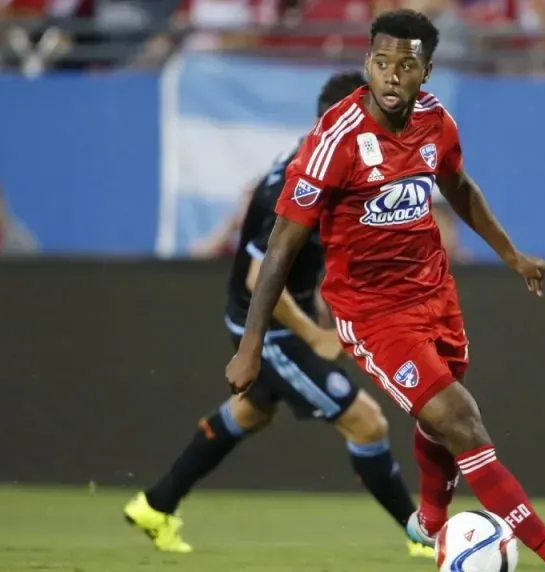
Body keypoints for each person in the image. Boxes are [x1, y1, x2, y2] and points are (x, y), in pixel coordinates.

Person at [225, 9, 545, 572]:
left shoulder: (435, 121)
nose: (392, 76)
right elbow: (280, 248)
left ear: (426, 71)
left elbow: (459, 186)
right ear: (367, 63)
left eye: (406, 65)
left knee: (436, 419)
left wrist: (513, 256)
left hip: (434, 292)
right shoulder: (336, 140)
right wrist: (251, 344)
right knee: (460, 418)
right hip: (372, 312)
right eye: (381, 62)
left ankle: (432, 521)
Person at [124, 70, 435, 560]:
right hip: (266, 327)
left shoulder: (320, 159)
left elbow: (316, 259)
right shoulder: (301, 183)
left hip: (269, 315)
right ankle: (420, 537)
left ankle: (156, 504)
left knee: (250, 412)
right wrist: (316, 336)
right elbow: (258, 278)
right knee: (367, 422)